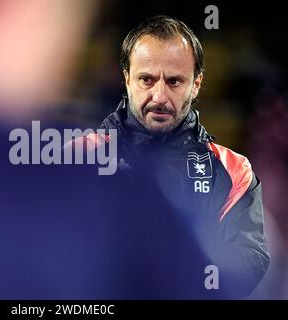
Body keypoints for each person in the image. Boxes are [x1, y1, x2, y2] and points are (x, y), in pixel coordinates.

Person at [98, 15, 270, 297]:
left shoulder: (234, 169)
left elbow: (249, 256)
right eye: (147, 79)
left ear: (197, 84)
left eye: (175, 82)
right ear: (127, 79)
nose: (160, 96)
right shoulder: (78, 157)